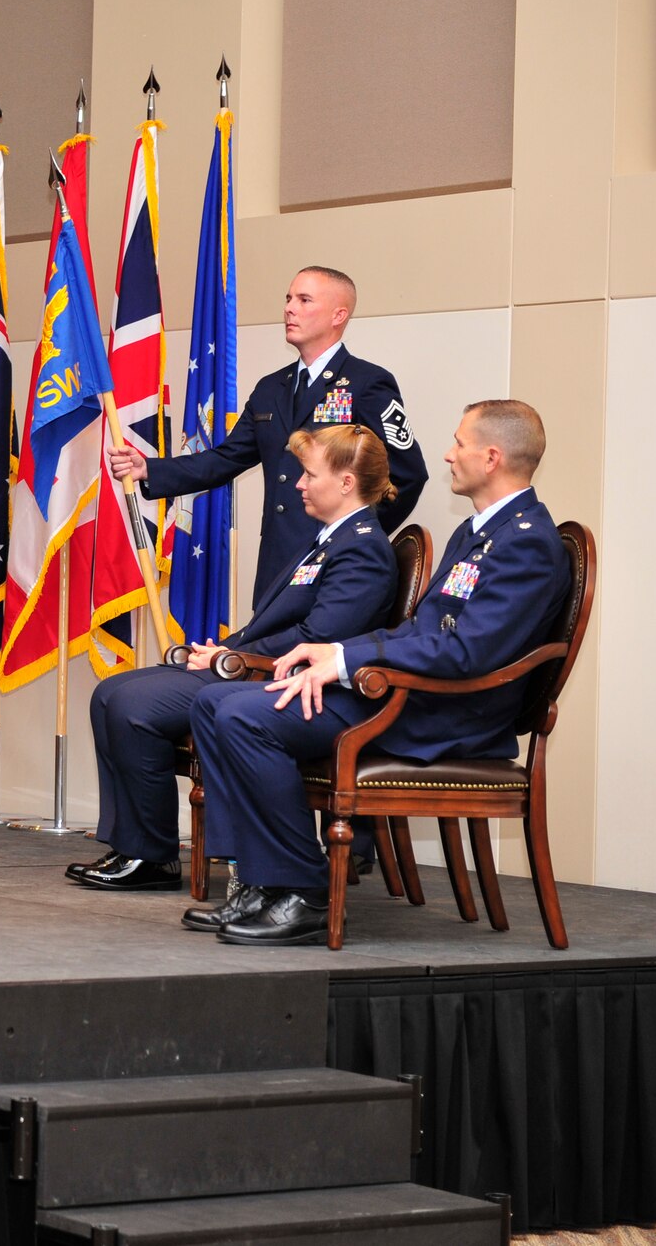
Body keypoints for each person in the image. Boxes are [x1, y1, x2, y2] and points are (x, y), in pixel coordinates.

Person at [189, 400, 569, 946]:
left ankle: (301, 890)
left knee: (245, 716)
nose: (447, 454)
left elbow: (468, 654)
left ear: (491, 457)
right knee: (214, 704)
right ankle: (260, 882)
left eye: (459, 443)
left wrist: (347, 663)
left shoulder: (527, 541)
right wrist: (332, 653)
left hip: (445, 711)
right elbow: (421, 631)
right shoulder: (481, 531)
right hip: (411, 693)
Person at [72, 424, 403, 894]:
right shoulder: (331, 538)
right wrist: (229, 651)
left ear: (346, 482)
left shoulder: (363, 547)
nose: (300, 484)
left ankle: (149, 852)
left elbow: (319, 637)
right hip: (251, 665)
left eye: (309, 474)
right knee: (109, 693)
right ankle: (135, 845)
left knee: (132, 708)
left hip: (274, 679)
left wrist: (233, 657)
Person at [108, 266, 428, 600]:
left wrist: (356, 534)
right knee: (265, 651)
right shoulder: (271, 387)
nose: (289, 308)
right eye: (289, 298)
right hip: (278, 562)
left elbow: (408, 474)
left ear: (339, 314)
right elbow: (227, 458)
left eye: (304, 300)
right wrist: (150, 468)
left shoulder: (367, 382)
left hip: (339, 566)